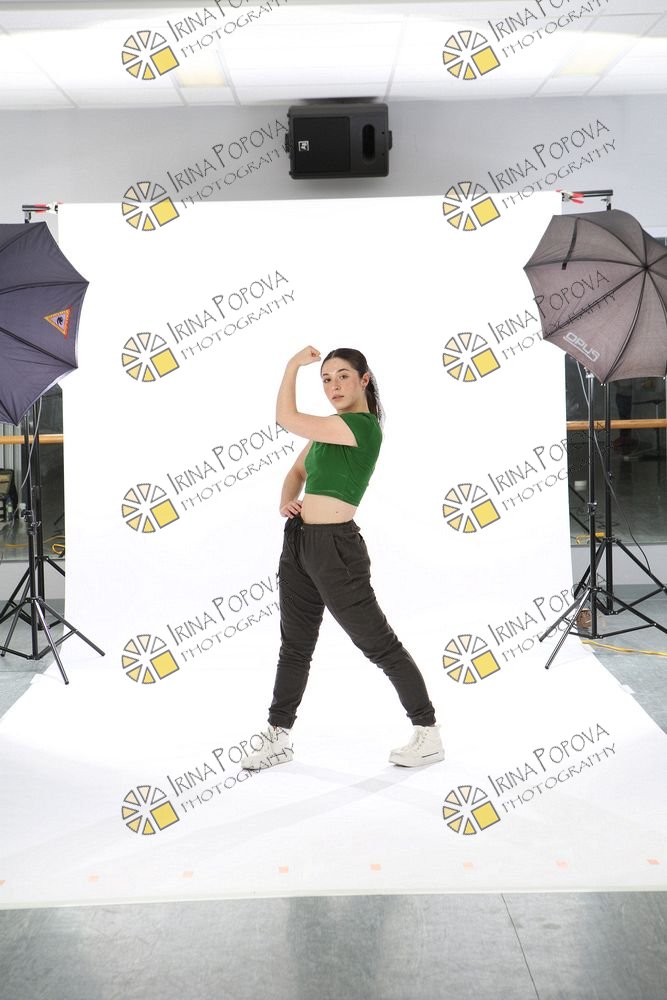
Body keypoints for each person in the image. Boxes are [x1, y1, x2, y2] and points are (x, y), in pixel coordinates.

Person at [243, 346, 443, 770]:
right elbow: (297, 472)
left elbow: (286, 418)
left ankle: (428, 733)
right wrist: (286, 502)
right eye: (326, 379)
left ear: (364, 380)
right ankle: (278, 736)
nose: (333, 386)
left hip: (336, 550)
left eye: (342, 376)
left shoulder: (361, 427)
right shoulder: (327, 431)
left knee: (379, 644)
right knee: (295, 645)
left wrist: (291, 366)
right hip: (298, 544)